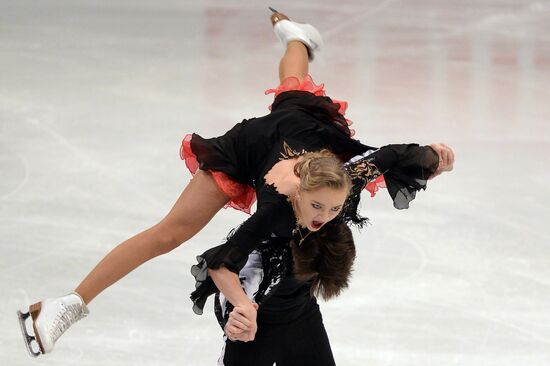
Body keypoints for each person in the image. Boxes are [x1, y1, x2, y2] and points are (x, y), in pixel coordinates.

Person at [17, 8, 455, 359]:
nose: (326, 217)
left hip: (301, 127)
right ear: (298, 192)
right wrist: (243, 305)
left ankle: (295, 36)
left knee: (293, 88)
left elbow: (396, 154)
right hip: (252, 146)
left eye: (332, 209)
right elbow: (220, 262)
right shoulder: (275, 209)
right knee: (170, 232)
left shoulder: (346, 179)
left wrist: (436, 155)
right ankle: (67, 306)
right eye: (317, 208)